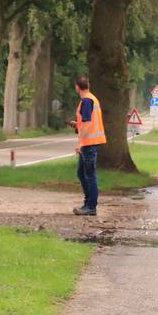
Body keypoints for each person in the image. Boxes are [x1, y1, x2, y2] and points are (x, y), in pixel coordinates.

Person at [67, 75, 106, 216]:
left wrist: (80, 144)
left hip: (89, 144)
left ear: (77, 87)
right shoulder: (91, 99)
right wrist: (77, 125)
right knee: (81, 173)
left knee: (89, 175)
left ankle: (91, 206)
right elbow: (86, 122)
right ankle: (88, 203)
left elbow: (88, 124)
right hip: (90, 143)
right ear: (88, 85)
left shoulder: (87, 101)